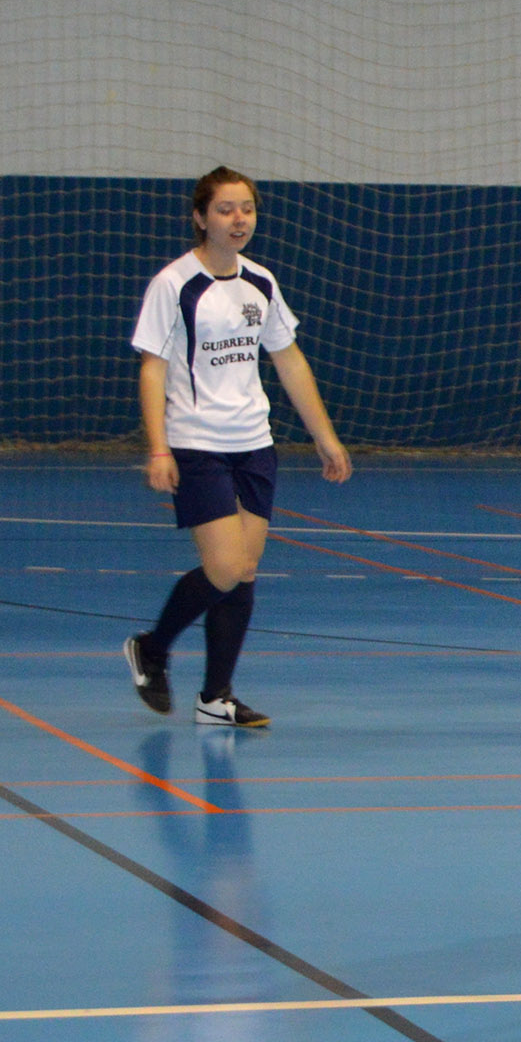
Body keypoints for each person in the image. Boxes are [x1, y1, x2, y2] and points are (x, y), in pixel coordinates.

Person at [123, 166, 353, 728]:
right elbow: (152, 369)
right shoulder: (174, 284)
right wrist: (159, 449)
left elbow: (289, 359)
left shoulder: (262, 282)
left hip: (255, 444)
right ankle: (151, 648)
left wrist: (325, 436)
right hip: (197, 443)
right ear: (201, 218)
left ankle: (215, 696)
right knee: (224, 566)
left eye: (246, 208)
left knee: (244, 571)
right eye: (225, 209)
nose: (238, 219)